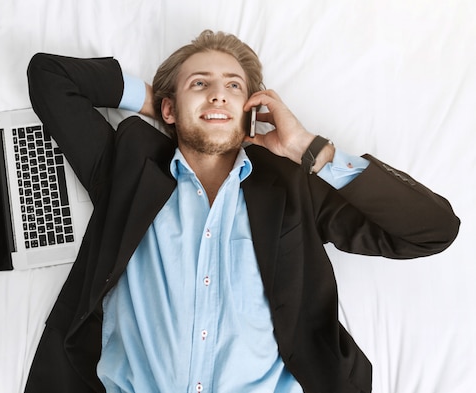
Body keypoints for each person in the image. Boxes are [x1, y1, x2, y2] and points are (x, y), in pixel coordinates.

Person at [23, 30, 460, 393]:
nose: (218, 95)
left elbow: (431, 230)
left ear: (252, 110)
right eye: (200, 84)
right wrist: (162, 103)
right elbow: (50, 75)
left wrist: (309, 149)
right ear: (170, 108)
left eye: (234, 87)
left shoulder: (292, 185)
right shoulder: (128, 167)